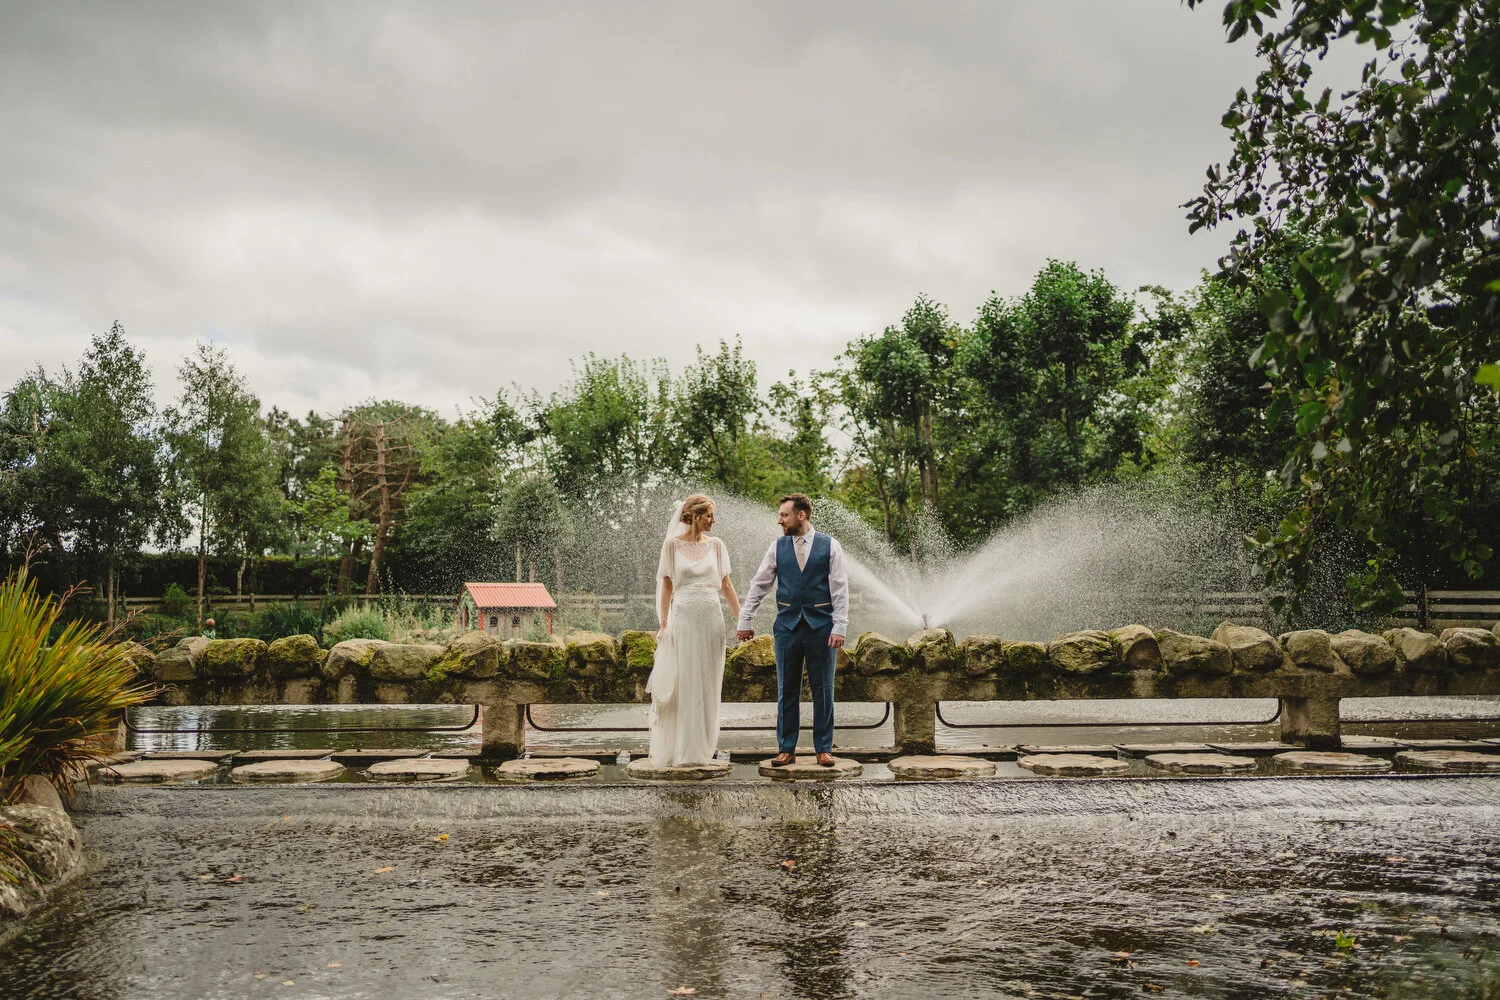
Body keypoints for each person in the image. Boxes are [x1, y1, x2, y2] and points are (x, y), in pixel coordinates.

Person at [736, 494, 849, 767]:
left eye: (784, 515)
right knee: (787, 689)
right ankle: (786, 749)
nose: (779, 520)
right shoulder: (777, 547)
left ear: (801, 515)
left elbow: (840, 588)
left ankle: (823, 749)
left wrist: (840, 625)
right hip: (787, 628)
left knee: (824, 689)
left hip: (821, 628)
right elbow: (760, 584)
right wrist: (745, 619)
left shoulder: (830, 546)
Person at [646, 495, 742, 767]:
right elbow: (666, 585)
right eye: (710, 515)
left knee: (709, 682)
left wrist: (742, 619)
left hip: (712, 619)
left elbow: (726, 585)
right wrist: (664, 621)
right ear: (696, 516)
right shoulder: (672, 546)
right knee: (685, 682)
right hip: (683, 617)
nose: (714, 520)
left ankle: (703, 749)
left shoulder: (717, 546)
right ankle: (684, 750)